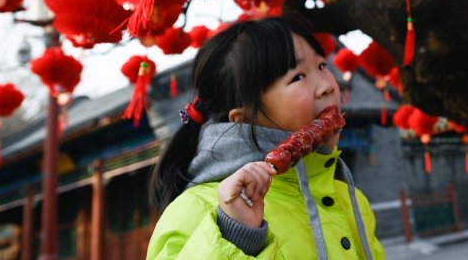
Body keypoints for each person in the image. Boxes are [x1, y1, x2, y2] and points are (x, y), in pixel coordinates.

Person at [147, 16, 385, 259]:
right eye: (298, 77)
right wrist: (236, 236)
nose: (327, 86)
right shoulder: (199, 210)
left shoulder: (350, 199)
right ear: (241, 118)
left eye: (322, 66)